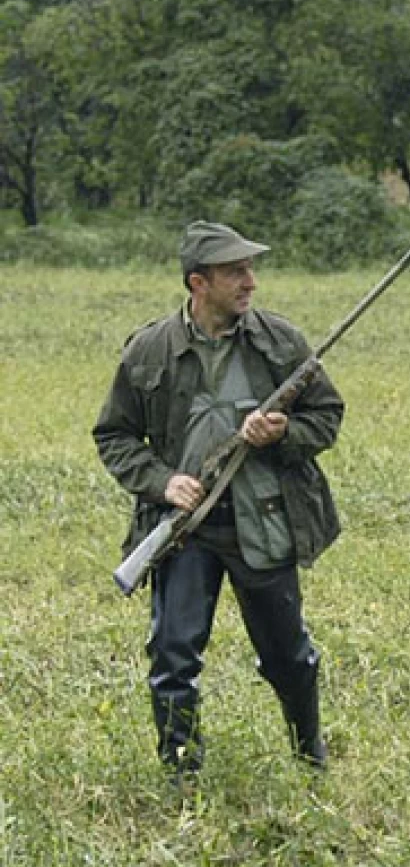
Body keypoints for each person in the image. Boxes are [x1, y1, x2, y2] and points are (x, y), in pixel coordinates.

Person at [93, 221, 345, 778]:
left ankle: (310, 760)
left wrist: (282, 434)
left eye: (251, 269)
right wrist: (163, 483)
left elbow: (327, 417)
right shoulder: (149, 348)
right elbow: (113, 435)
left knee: (289, 658)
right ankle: (182, 777)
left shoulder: (281, 342)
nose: (251, 281)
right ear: (198, 283)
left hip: (265, 523)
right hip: (186, 529)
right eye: (236, 272)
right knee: (173, 659)